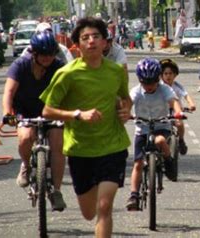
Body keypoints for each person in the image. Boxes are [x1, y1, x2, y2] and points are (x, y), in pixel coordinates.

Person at [39, 17, 131, 237]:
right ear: (77, 45)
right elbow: (47, 111)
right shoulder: (67, 74)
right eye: (85, 38)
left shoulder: (116, 71)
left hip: (113, 146)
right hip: (81, 150)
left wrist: (125, 110)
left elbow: (125, 98)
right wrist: (77, 114)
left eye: (96, 36)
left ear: (105, 42)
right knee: (89, 213)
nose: (91, 41)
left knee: (104, 207)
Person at [2, 31, 67, 211]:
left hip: (51, 112)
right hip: (25, 111)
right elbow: (8, 92)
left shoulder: (59, 67)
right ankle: (26, 164)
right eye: (43, 54)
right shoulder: (20, 65)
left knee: (57, 142)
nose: (47, 58)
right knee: (25, 137)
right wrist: (8, 114)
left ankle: (56, 191)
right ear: (34, 53)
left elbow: (70, 91)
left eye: (51, 54)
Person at [126, 58, 183, 211]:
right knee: (137, 163)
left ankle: (168, 161)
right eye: (146, 82)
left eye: (153, 82)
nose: (150, 86)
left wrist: (178, 113)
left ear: (158, 78)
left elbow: (173, 102)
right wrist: (125, 114)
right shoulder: (136, 91)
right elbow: (127, 104)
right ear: (140, 80)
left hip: (161, 125)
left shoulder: (164, 89)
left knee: (160, 141)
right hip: (142, 129)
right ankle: (134, 195)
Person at [160, 58, 196, 155]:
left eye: (170, 73)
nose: (168, 76)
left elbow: (186, 95)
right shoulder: (159, 86)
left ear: (175, 75)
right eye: (165, 74)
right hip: (162, 111)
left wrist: (191, 104)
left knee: (179, 124)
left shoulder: (177, 86)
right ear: (161, 76)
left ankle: (181, 140)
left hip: (176, 110)